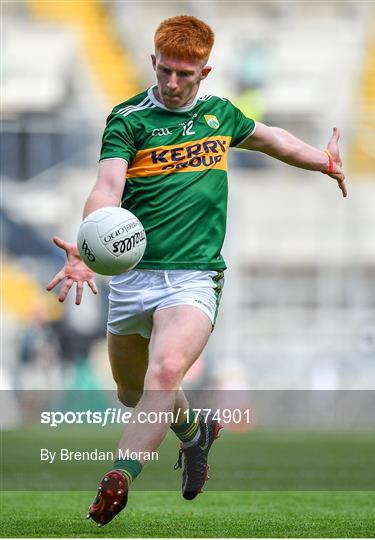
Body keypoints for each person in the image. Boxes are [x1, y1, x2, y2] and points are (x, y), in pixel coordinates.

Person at [46, 15, 347, 527]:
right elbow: (107, 186)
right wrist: (87, 241)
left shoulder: (219, 115)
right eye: (165, 71)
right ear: (153, 62)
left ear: (205, 72)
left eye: (185, 74)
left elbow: (270, 138)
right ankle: (195, 432)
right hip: (132, 277)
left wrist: (323, 160)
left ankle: (119, 477)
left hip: (194, 276)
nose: (172, 83)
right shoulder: (129, 119)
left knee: (165, 372)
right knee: (133, 392)